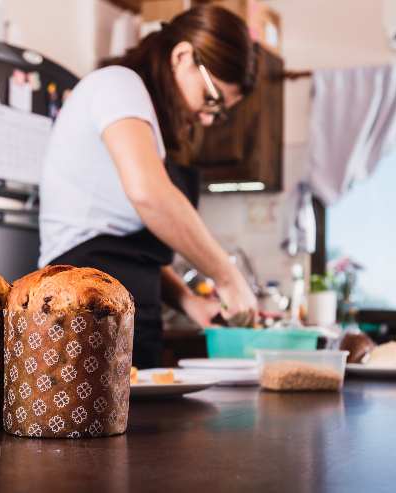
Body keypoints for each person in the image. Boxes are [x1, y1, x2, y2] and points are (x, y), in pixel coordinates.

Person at [38, 5, 258, 368]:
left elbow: (131, 245)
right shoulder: (118, 84)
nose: (207, 118)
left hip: (127, 308)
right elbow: (149, 195)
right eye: (212, 98)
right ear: (183, 56)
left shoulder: (144, 117)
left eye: (218, 113)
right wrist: (227, 276)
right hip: (80, 304)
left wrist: (188, 300)